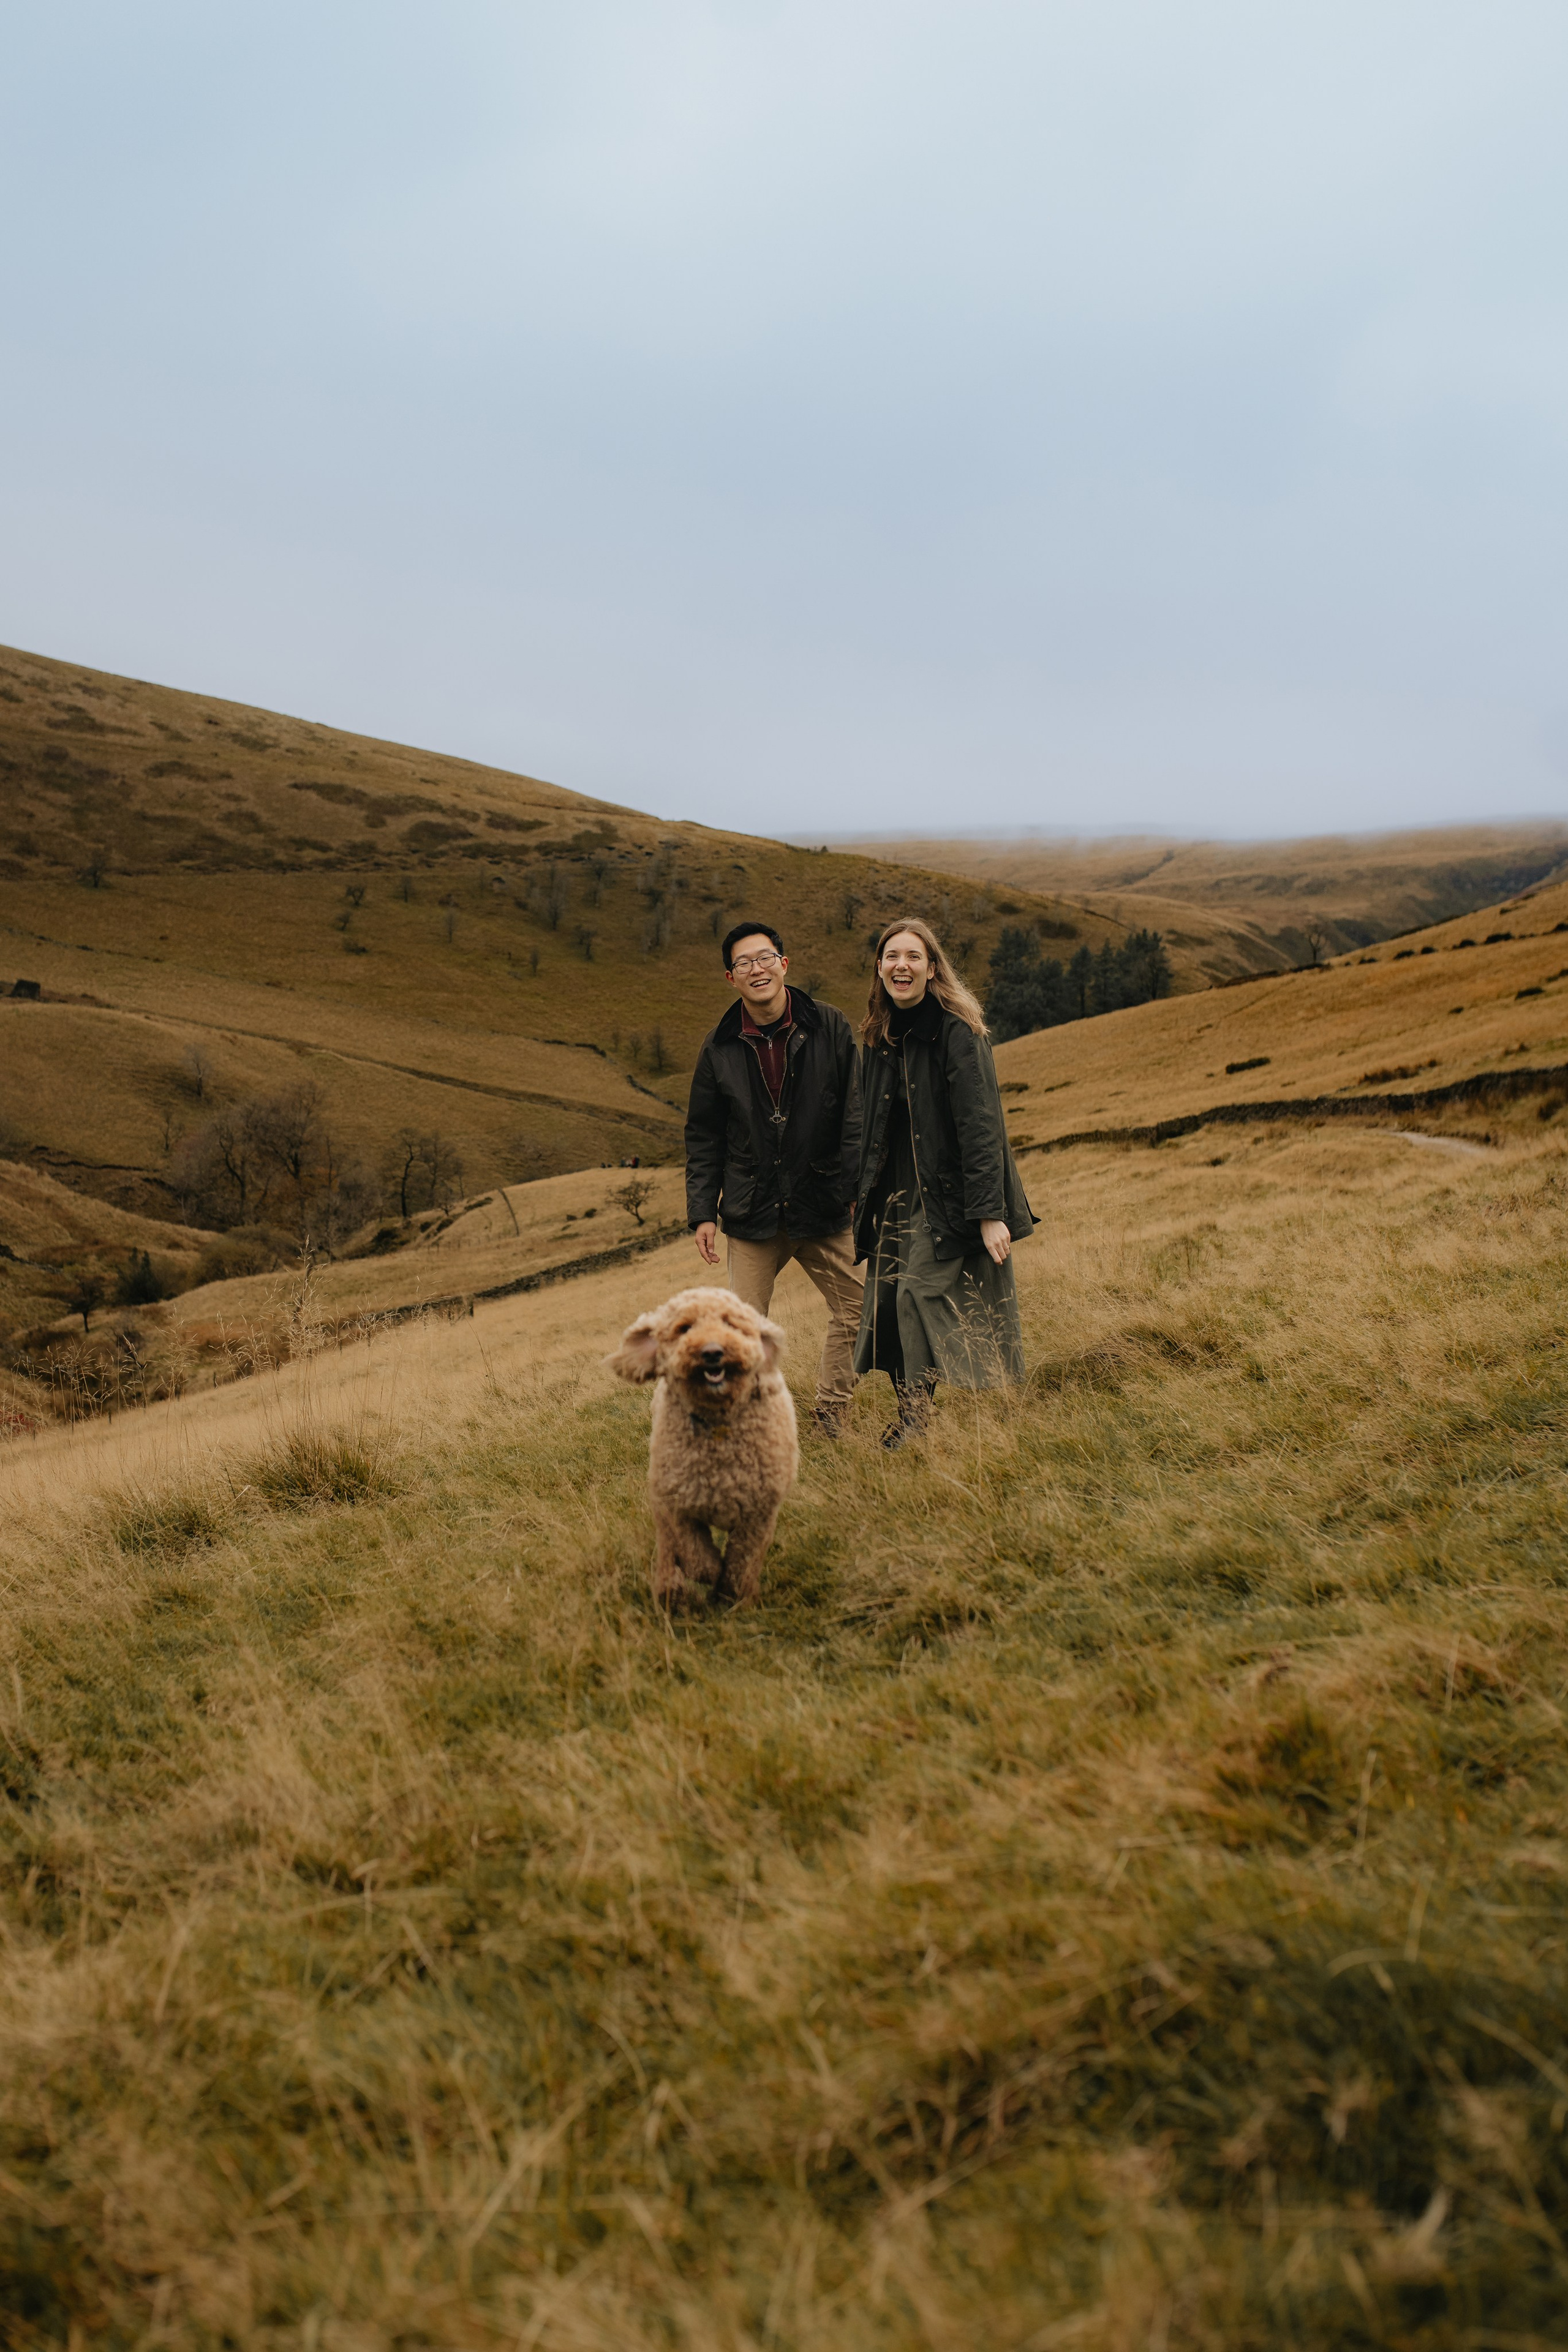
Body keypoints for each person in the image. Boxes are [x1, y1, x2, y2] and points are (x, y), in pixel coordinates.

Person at [853, 916, 1035, 1448]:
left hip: (946, 1195)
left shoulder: (958, 1030)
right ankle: (913, 1417)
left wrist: (989, 1212)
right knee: (889, 1303)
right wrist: (859, 1203)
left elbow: (981, 1129)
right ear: (880, 968)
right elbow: (872, 1130)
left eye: (913, 957)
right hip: (897, 1196)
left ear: (932, 969)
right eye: (891, 956)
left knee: (916, 1295)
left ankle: (915, 1420)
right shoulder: (880, 1035)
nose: (900, 966)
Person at [685, 923, 864, 1437]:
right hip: (753, 1209)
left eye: (765, 958)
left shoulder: (829, 1025)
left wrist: (854, 1188)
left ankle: (831, 1413)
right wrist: (702, 1211)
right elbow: (704, 1135)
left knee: (860, 1308)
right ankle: (748, 1424)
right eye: (744, 963)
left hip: (822, 1200)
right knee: (740, 1334)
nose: (757, 969)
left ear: (784, 964)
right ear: (731, 978)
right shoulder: (718, 1047)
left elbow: (855, 1114)